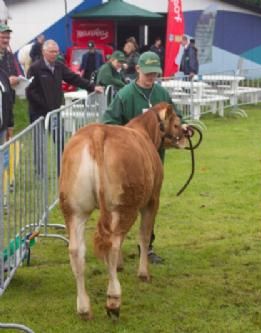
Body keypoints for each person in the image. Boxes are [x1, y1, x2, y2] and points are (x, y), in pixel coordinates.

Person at [102, 51, 191, 264]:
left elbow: (175, 117)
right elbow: (109, 123)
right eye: (148, 72)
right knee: (122, 202)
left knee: (151, 202)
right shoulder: (125, 95)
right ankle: (116, 246)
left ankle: (147, 248)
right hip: (128, 162)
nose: (151, 77)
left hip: (154, 160)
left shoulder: (162, 94)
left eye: (155, 73)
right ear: (138, 69)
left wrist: (184, 125)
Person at [26, 40, 104, 174]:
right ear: (44, 52)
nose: (55, 54)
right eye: (51, 51)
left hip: (55, 113)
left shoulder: (59, 66)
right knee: (39, 143)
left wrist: (91, 87)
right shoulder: (35, 68)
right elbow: (30, 92)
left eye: (56, 51)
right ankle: (40, 172)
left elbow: (74, 78)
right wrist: (45, 106)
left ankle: (62, 169)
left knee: (61, 141)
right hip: (39, 113)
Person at [0, 23, 21, 143]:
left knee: (4, 145)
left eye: (8, 37)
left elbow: (14, 73)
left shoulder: (9, 55)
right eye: (2, 37)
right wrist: (8, 80)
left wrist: (16, 79)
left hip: (8, 102)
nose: (6, 40)